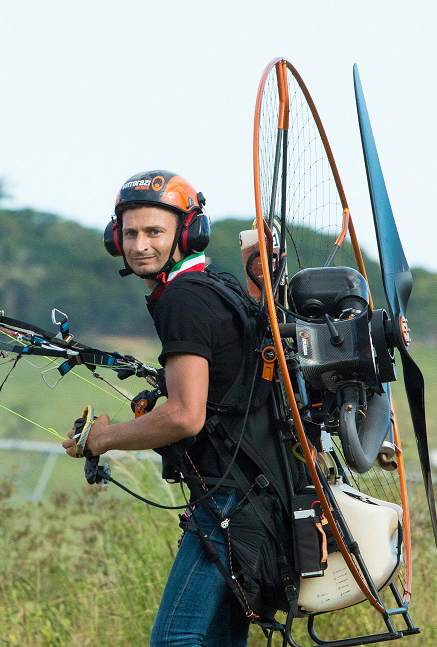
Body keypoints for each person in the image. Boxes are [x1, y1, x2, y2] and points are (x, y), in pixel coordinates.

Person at [61, 170, 280, 647]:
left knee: (174, 638)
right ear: (115, 238)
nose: (140, 245)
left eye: (154, 232)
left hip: (228, 498)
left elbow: (186, 415)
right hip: (259, 495)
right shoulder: (215, 287)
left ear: (187, 234)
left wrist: (102, 438)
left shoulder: (184, 300)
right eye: (132, 233)